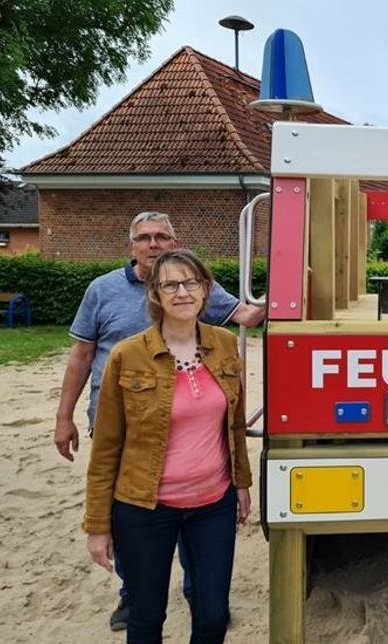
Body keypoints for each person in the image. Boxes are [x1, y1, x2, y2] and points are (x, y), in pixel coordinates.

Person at [54, 211, 264, 630]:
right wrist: (64, 417)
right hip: (134, 437)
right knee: (145, 607)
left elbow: (233, 423)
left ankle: (195, 592)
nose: (153, 244)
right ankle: (133, 592)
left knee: (210, 608)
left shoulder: (221, 343)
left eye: (162, 236)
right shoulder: (108, 305)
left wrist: (295, 283)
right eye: (144, 237)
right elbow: (82, 358)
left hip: (208, 491)